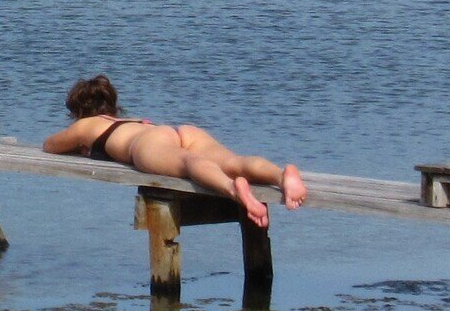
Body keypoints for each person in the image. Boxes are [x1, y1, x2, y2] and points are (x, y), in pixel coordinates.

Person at [42, 75, 306, 228]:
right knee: (233, 160)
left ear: (77, 111)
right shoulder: (131, 121)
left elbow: (51, 145)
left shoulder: (86, 125)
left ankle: (233, 189)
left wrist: (81, 143)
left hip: (146, 146)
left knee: (188, 163)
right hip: (180, 131)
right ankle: (281, 176)